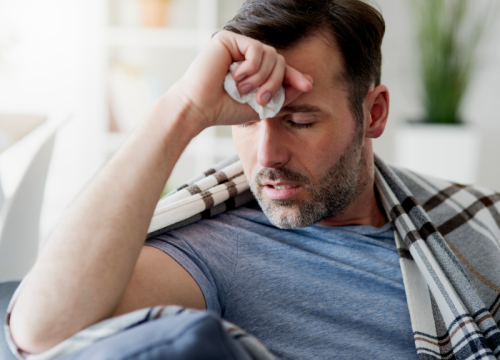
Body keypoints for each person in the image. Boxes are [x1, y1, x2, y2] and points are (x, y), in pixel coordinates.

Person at [7, 1, 500, 359]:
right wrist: (183, 109)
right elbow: (39, 331)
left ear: (373, 113)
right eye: (244, 120)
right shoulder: (216, 253)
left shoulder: (472, 219)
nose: (266, 155)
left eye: (300, 121)